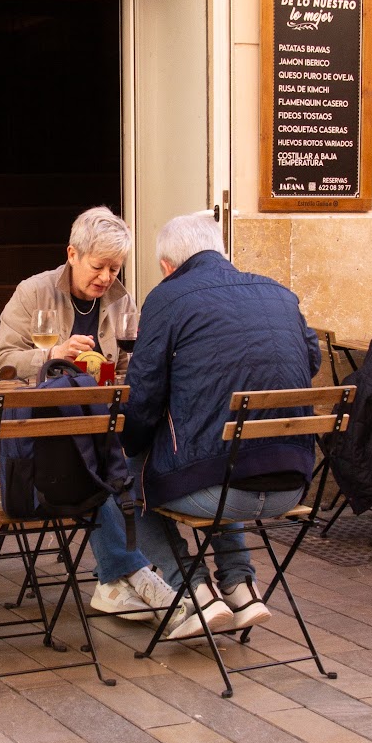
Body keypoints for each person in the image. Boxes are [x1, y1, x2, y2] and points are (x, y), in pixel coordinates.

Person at [121, 212, 321, 639]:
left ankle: (194, 592)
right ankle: (240, 587)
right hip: (294, 483)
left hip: (217, 493)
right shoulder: (279, 293)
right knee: (219, 456)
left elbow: (142, 398)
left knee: (122, 471)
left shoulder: (167, 298)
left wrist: (127, 445)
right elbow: (312, 361)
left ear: (167, 266)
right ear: (220, 250)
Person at [0, 205, 177, 623]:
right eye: (99, 266)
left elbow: (131, 367)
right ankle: (136, 572)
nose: (107, 277)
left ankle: (116, 583)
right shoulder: (34, 292)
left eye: (115, 268)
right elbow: (1, 361)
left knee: (130, 462)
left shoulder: (120, 300)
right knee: (93, 468)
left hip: (99, 427)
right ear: (72, 254)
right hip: (37, 434)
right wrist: (52, 354)